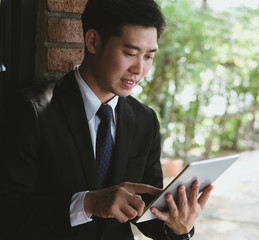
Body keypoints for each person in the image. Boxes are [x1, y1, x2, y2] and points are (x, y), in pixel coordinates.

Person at [0, 0, 213, 239]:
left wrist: (178, 226)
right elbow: (8, 215)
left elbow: (146, 213)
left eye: (149, 57)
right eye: (130, 53)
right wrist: (87, 203)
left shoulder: (145, 120)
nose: (139, 69)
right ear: (93, 41)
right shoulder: (32, 111)